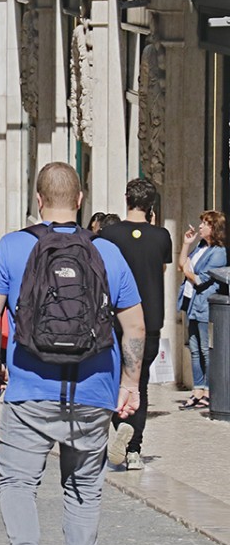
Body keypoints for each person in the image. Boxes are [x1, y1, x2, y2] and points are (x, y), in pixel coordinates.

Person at [0, 162, 145, 545]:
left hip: (30, 387)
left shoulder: (13, 247)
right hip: (93, 390)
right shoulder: (107, 253)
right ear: (81, 200)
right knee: (84, 489)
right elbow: (136, 328)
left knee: (16, 483)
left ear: (38, 200)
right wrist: (130, 383)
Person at [100, 178, 172, 468]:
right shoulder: (162, 236)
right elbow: (162, 268)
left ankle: (118, 427)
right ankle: (133, 449)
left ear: (126, 199)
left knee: (115, 380)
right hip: (150, 319)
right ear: (151, 206)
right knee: (138, 383)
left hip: (115, 319)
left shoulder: (108, 235)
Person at [176, 209, 227, 410]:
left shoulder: (219, 253)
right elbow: (182, 265)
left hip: (205, 305)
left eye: (205, 223)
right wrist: (186, 244)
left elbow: (200, 279)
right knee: (195, 349)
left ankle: (208, 390)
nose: (200, 227)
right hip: (191, 303)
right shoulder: (200, 247)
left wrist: (188, 270)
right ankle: (197, 389)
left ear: (214, 228)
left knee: (206, 349)